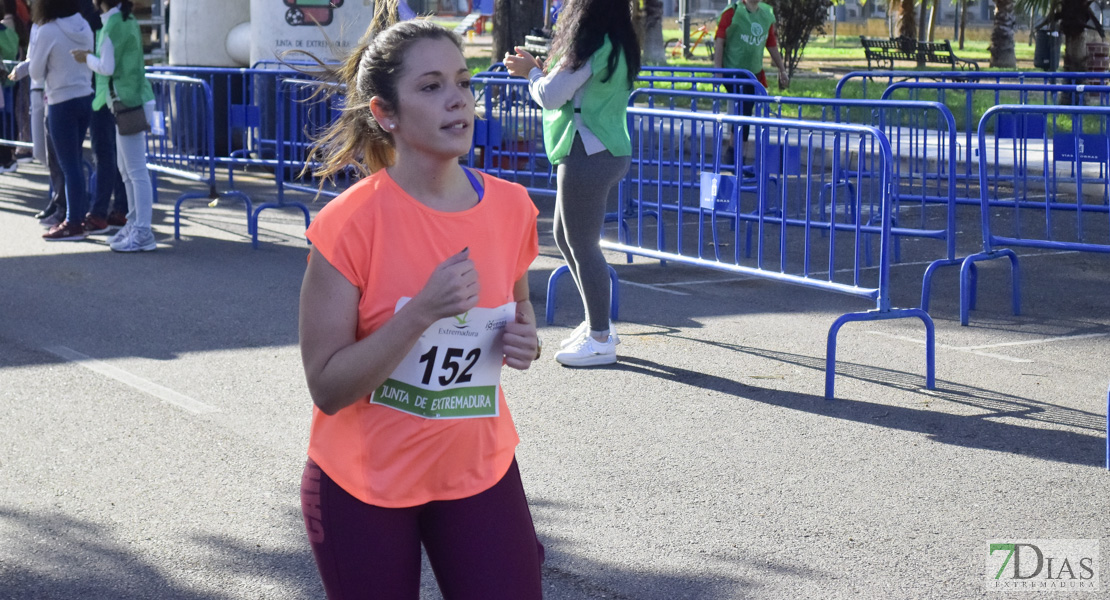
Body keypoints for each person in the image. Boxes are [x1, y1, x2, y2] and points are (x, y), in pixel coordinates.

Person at [296, 20, 544, 599]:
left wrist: (526, 339)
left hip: (476, 470)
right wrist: (419, 314)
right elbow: (328, 386)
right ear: (386, 113)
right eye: (431, 87)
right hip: (364, 481)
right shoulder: (349, 225)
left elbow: (520, 306)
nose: (457, 98)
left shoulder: (511, 208)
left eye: (462, 81)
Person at [504, 0, 640, 367]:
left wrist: (531, 73)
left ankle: (600, 337)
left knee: (582, 244)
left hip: (587, 152)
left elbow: (550, 95)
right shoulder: (617, 40)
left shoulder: (591, 43)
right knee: (568, 239)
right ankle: (597, 326)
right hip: (604, 149)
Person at [73, 0, 154, 252]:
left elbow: (106, 67)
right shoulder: (123, 20)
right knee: (128, 169)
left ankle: (142, 231)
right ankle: (135, 225)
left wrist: (86, 57)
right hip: (130, 101)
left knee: (135, 171)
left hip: (129, 103)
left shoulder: (114, 24)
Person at [20, 0, 94, 241]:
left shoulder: (48, 29)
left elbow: (36, 72)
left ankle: (73, 223)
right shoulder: (83, 24)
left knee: (69, 165)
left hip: (61, 101)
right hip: (85, 96)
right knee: (75, 164)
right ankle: (76, 218)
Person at [713, 0, 789, 145]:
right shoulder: (732, 12)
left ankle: (737, 156)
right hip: (733, 71)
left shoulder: (766, 14)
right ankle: (736, 154)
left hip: (754, 73)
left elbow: (771, 43)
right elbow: (720, 40)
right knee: (744, 110)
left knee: (745, 112)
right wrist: (718, 70)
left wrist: (782, 69)